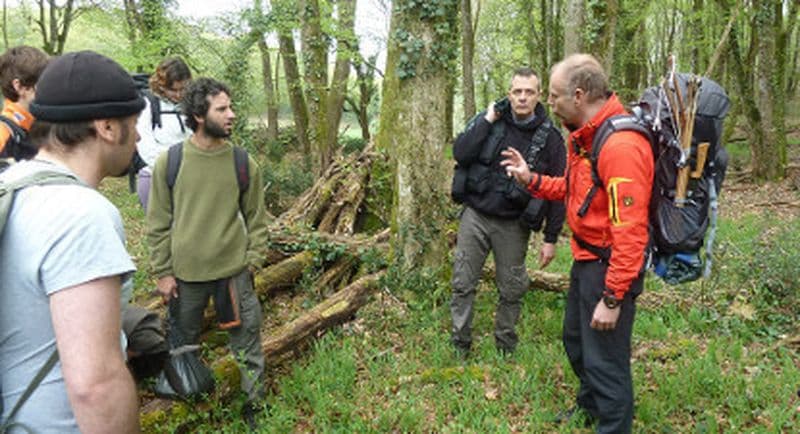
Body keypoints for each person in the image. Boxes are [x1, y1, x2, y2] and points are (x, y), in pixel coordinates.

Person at [501, 54, 653, 433]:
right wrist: (530, 179)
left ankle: (612, 425)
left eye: (554, 96)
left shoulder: (621, 147)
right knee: (577, 341)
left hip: (609, 267)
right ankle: (589, 407)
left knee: (606, 361)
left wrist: (614, 297)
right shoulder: (585, 137)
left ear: (580, 95)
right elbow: (575, 190)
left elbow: (631, 232)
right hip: (587, 258)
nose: (549, 104)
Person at [0, 50, 143, 433]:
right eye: (133, 122)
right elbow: (95, 386)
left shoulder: (9, 185)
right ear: (108, 128)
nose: (140, 135)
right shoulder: (81, 215)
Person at [146, 77, 269, 425]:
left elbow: (258, 221)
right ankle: (190, 408)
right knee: (183, 348)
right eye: (222, 108)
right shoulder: (169, 162)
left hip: (234, 276)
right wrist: (163, 272)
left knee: (248, 348)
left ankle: (254, 410)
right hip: (185, 279)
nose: (232, 115)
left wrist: (252, 262)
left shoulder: (243, 163)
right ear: (199, 115)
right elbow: (157, 224)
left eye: (231, 107)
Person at [450, 67, 566, 355]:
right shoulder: (490, 119)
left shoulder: (551, 138)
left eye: (529, 92)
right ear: (509, 94)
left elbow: (560, 190)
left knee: (512, 289)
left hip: (514, 225)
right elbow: (461, 153)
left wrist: (551, 238)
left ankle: (505, 346)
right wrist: (487, 119)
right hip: (475, 216)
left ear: (539, 96)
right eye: (517, 91)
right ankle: (460, 344)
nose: (523, 98)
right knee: (463, 282)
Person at [134, 57, 192, 209]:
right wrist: (174, 167)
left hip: (190, 179)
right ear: (162, 86)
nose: (179, 95)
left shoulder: (191, 104)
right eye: (173, 90)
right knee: (162, 230)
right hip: (155, 177)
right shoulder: (148, 103)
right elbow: (144, 145)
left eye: (183, 89)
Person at [0, 45, 49, 164]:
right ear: (20, 86)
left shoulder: (34, 126)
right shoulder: (3, 134)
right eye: (42, 84)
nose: (48, 89)